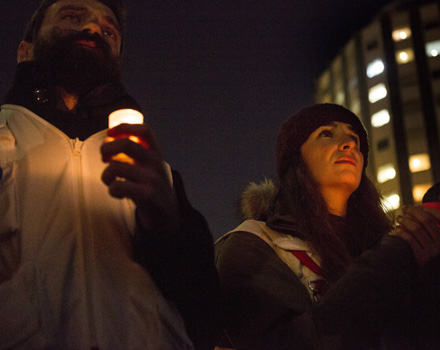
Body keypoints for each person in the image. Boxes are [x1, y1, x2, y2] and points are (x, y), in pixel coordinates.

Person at [0, 0, 220, 349]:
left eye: (108, 31)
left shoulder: (148, 165)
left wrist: (172, 227)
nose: (91, 30)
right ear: (25, 50)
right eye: (72, 17)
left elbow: (204, 311)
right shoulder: (3, 137)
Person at [215, 103, 440, 349]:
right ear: (295, 158)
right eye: (326, 133)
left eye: (354, 138)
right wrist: (393, 256)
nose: (349, 144)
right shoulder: (253, 242)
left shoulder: (382, 244)